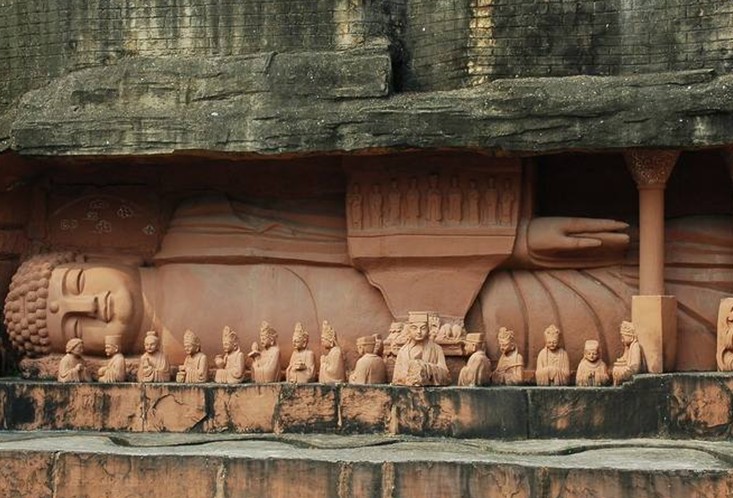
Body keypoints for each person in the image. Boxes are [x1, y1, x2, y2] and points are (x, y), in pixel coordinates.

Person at [392, 312, 450, 386]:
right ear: (409, 330)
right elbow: (396, 377)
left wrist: (427, 368)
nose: (419, 332)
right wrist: (410, 376)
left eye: (423, 328)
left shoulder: (436, 349)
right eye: (414, 328)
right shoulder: (403, 351)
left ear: (428, 330)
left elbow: (446, 375)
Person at [612, 320, 646, 386]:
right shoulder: (629, 347)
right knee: (616, 369)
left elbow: (635, 368)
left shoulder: (635, 347)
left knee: (617, 371)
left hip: (633, 373)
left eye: (623, 337)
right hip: (629, 370)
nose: (622, 340)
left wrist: (623, 373)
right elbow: (624, 359)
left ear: (631, 337)